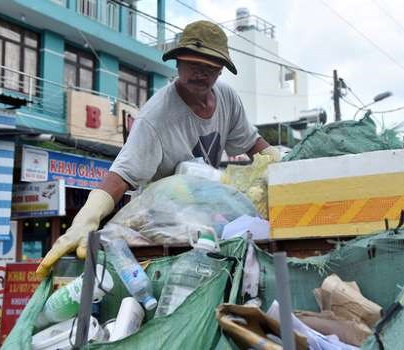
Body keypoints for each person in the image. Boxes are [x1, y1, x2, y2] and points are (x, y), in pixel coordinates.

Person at [36, 20, 279, 277]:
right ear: (178, 63)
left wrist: (283, 170)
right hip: (161, 229)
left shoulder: (227, 98)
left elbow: (255, 146)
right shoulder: (156, 118)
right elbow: (121, 176)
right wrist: (86, 219)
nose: (201, 73)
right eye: (194, 64)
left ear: (220, 71)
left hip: (209, 220)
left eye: (210, 67)